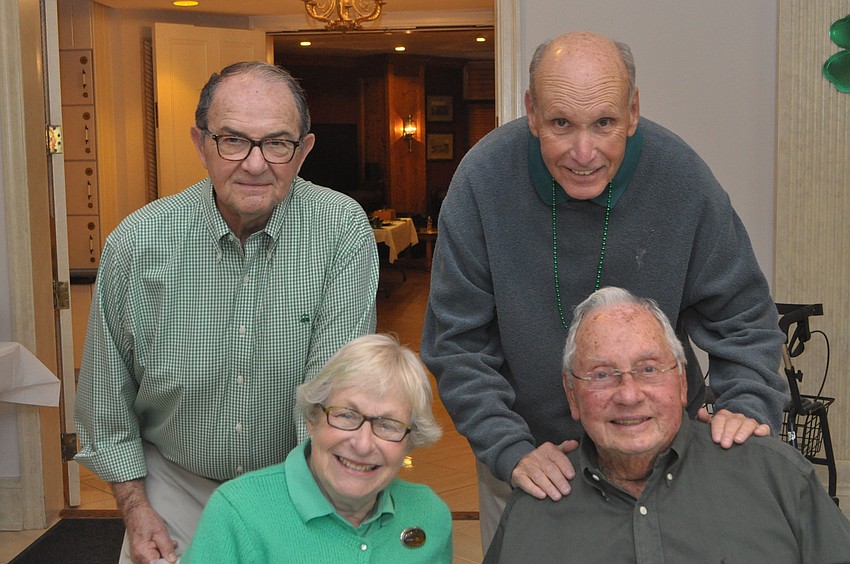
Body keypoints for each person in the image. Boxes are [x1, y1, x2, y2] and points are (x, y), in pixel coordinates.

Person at [420, 31, 790, 548]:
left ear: (633, 111)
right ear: (531, 112)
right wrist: (508, 449)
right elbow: (458, 344)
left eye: (605, 123)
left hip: (666, 463)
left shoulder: (681, 176)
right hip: (533, 464)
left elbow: (745, 319)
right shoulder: (482, 179)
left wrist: (746, 404)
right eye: (560, 124)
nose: (583, 152)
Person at [74, 61, 379, 563]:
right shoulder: (137, 242)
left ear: (303, 151)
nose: (255, 164)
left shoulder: (341, 232)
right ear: (201, 144)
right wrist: (136, 507)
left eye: (278, 143)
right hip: (173, 486)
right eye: (233, 140)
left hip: (300, 483)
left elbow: (335, 395)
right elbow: (106, 402)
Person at [485, 287, 850, 563]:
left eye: (648, 369)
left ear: (682, 382)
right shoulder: (533, 510)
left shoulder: (775, 478)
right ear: (571, 395)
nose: (628, 395)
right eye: (601, 374)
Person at [181, 334, 452, 563]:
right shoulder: (237, 512)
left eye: (388, 425)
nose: (362, 444)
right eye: (346, 415)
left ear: (409, 441)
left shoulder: (429, 514)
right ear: (312, 419)